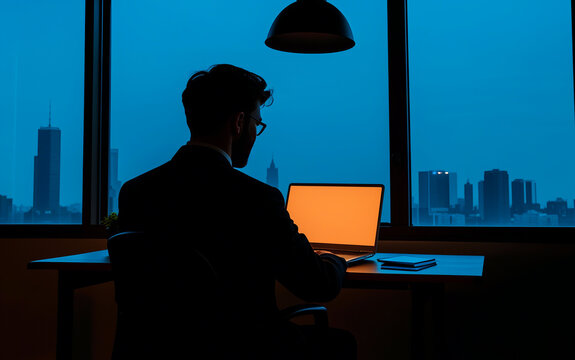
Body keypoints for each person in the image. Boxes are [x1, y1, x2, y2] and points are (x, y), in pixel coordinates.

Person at [118, 64, 356, 359]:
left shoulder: (135, 192)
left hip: (154, 348)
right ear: (239, 122)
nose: (256, 133)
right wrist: (336, 260)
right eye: (258, 124)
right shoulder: (258, 199)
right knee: (338, 344)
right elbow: (317, 285)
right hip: (242, 348)